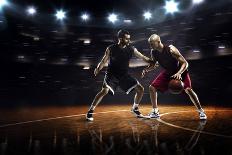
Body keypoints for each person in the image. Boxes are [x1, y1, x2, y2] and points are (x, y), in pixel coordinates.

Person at [86, 30, 154, 121]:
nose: (128, 41)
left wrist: (151, 61)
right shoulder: (111, 48)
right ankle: (90, 111)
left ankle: (135, 108)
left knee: (140, 89)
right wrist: (98, 68)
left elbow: (142, 57)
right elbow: (103, 61)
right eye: (126, 39)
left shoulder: (131, 49)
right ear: (120, 39)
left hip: (124, 75)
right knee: (104, 91)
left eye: (129, 39)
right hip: (112, 75)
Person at [142, 34, 207, 120]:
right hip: (168, 72)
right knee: (152, 87)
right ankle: (155, 111)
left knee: (188, 90)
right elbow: (154, 65)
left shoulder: (171, 50)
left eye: (152, 43)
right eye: (149, 44)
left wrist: (179, 73)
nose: (150, 45)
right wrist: (147, 69)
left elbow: (185, 63)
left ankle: (201, 111)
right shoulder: (153, 52)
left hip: (180, 71)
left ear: (158, 42)